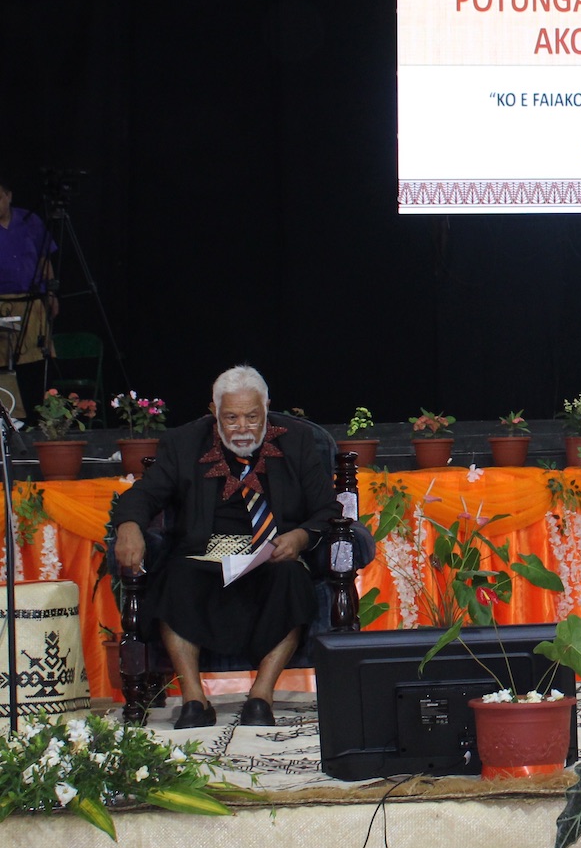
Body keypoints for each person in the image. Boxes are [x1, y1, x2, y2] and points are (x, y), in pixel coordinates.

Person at [111, 365, 336, 728]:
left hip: (272, 553)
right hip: (204, 555)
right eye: (231, 418)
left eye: (252, 416)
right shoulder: (184, 443)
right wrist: (128, 526)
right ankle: (194, 701)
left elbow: (327, 508)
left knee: (293, 581)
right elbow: (144, 495)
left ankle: (261, 697)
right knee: (174, 578)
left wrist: (301, 537)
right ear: (214, 412)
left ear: (267, 409)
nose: (243, 428)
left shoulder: (296, 441)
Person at [0, 178, 57, 413]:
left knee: (35, 361)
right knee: (4, 365)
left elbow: (45, 260)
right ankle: (12, 420)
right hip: (2, 304)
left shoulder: (29, 221)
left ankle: (41, 417)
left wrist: (52, 293)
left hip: (32, 303)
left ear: (9, 196)